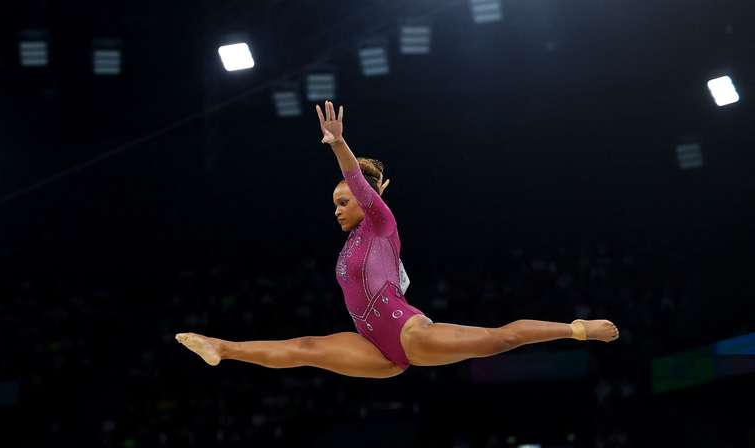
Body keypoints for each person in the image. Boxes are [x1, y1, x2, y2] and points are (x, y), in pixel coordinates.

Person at [176, 100, 618, 378]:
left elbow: (359, 183)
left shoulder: (381, 224)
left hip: (407, 334)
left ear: (365, 199)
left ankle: (577, 328)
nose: (337, 208)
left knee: (497, 339)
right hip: (372, 345)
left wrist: (338, 146)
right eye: (334, 203)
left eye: (343, 200)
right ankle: (221, 348)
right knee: (304, 349)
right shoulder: (351, 243)